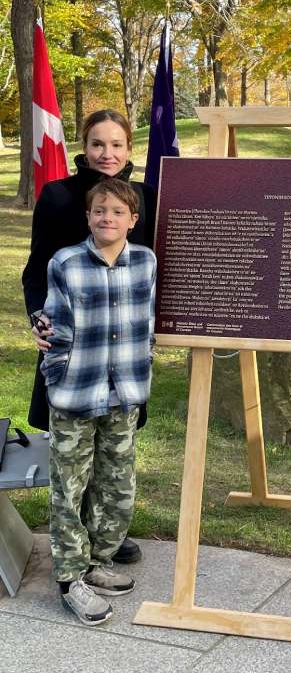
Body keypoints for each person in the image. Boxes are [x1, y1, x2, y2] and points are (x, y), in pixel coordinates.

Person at [22, 108, 156, 565]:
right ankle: (75, 539)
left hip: (119, 346)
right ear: (84, 146)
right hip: (74, 345)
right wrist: (41, 322)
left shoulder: (146, 197)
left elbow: (155, 266)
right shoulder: (58, 196)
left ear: (128, 149)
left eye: (117, 144)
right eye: (98, 143)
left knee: (115, 447)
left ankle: (107, 535)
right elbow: (36, 268)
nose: (107, 153)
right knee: (74, 446)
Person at [41, 178, 156, 626]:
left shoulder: (145, 262)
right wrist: (55, 363)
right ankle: (70, 578)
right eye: (99, 211)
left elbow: (146, 319)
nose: (107, 218)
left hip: (124, 391)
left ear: (133, 219)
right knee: (69, 487)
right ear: (88, 217)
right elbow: (53, 322)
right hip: (76, 391)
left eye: (117, 211)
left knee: (117, 483)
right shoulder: (66, 262)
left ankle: (97, 560)